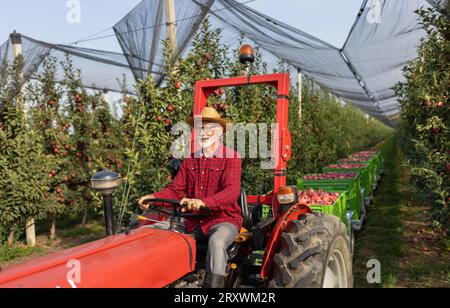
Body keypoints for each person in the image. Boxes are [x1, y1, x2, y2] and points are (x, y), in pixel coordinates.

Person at [138, 107, 242, 288]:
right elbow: (175, 190)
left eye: (208, 128)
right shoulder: (190, 159)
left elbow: (231, 192)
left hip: (223, 219)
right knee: (152, 232)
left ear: (219, 131)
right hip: (191, 221)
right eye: (199, 128)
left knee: (217, 243)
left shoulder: (231, 158)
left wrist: (204, 202)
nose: (203, 132)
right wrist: (153, 197)